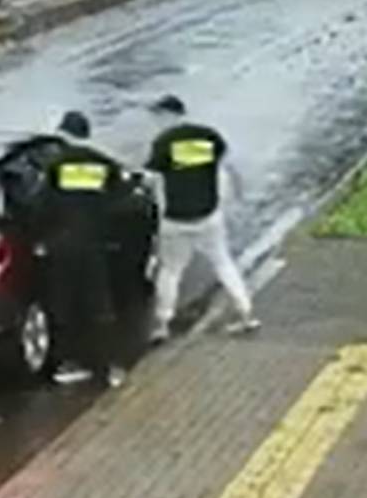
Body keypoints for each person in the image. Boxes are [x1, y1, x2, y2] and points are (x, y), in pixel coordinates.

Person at [143, 94, 259, 343]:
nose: (155, 121)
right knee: (223, 262)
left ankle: (163, 324)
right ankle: (245, 312)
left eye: (157, 116)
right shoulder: (209, 137)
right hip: (208, 214)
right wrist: (236, 193)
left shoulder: (165, 141)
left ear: (168, 115)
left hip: (175, 218)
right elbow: (226, 166)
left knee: (171, 270)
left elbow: (151, 179)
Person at [39, 111, 127, 388]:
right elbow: (120, 196)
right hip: (93, 242)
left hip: (62, 244)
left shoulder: (55, 164)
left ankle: (66, 365)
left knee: (64, 305)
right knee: (100, 304)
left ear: (64, 133)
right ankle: (110, 366)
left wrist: (43, 238)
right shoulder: (103, 163)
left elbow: (42, 203)